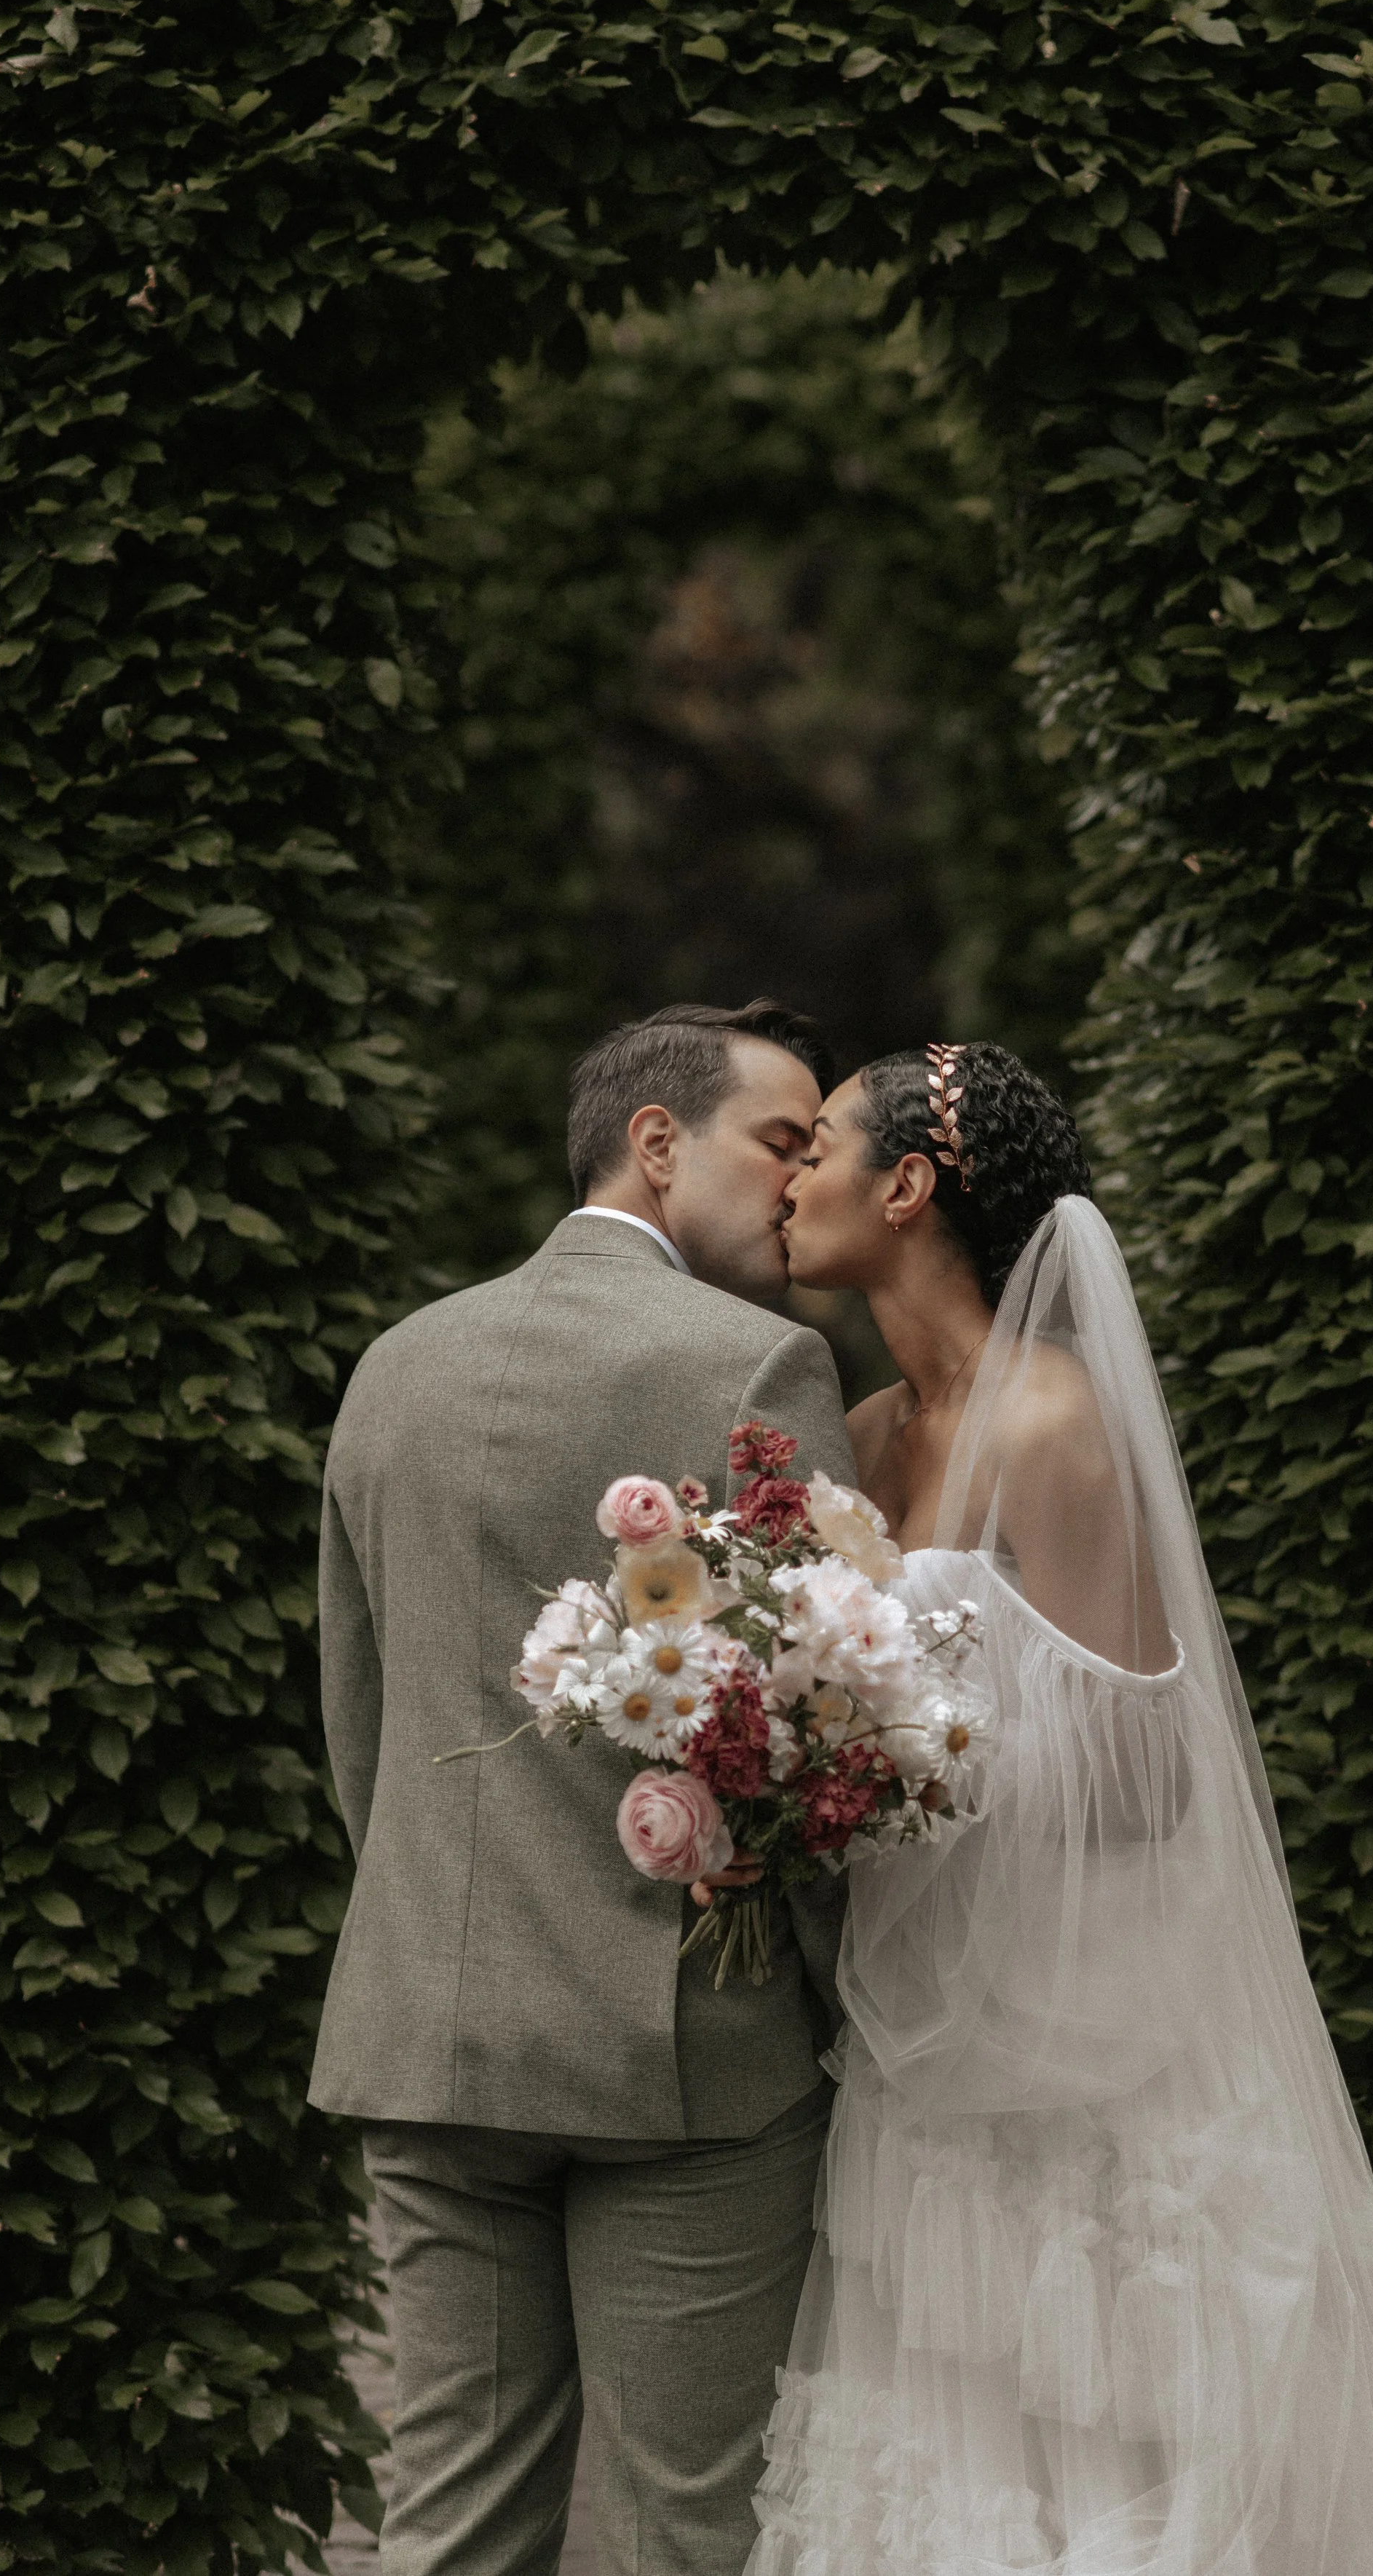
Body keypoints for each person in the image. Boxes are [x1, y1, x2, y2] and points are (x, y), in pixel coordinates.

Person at [749, 1042, 1373, 2576]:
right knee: (948, 2435)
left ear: (905, 1187)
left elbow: (1147, 1774)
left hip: (1075, 2027)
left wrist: (917, 1758)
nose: (786, 1175)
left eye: (817, 1142)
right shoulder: (867, 1433)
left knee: (1116, 2439)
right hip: (917, 2017)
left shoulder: (1047, 1424)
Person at [309, 1000, 858, 2576]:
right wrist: (827, 2010)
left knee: (452, 2527)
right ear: (656, 1140)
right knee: (690, 2525)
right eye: (778, 1140)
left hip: (428, 2029)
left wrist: (428, 1934)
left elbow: (365, 1722)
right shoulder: (758, 1361)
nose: (794, 1184)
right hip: (683, 2055)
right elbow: (811, 1734)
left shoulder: (394, 1365)